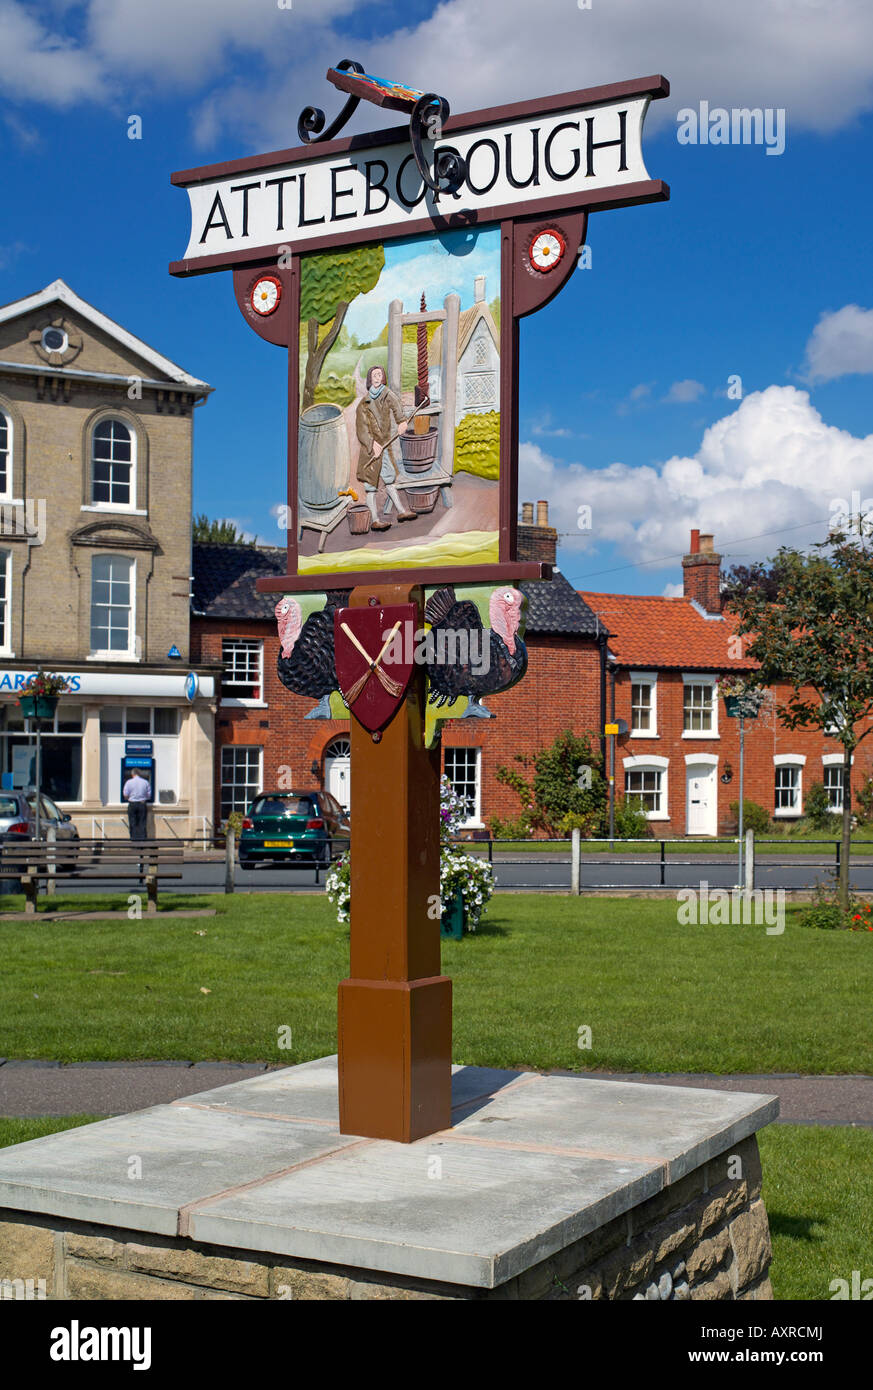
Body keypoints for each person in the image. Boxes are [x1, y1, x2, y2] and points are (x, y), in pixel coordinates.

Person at [355, 365, 417, 530]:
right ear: (370, 379)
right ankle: (375, 519)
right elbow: (361, 429)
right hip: (370, 451)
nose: (377, 378)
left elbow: (396, 406)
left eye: (380, 375)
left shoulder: (386, 394)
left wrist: (402, 421)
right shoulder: (364, 403)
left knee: (389, 478)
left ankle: (401, 511)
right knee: (370, 485)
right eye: (374, 375)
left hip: (384, 445)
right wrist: (371, 444)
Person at [122, 767, 151, 841]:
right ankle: (142, 843)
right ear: (139, 774)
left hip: (132, 804)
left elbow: (125, 794)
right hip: (142, 804)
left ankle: (134, 842)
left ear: (132, 774)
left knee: (132, 823)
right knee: (142, 824)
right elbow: (149, 795)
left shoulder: (129, 782)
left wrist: (128, 798)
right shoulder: (145, 782)